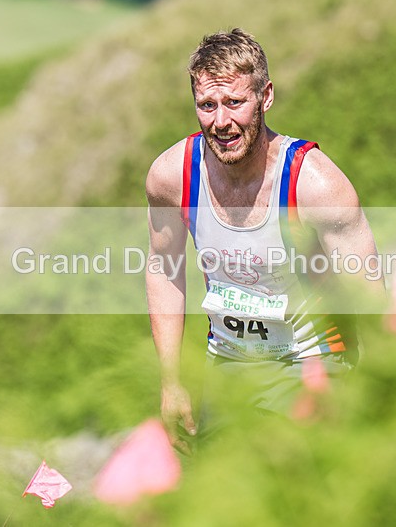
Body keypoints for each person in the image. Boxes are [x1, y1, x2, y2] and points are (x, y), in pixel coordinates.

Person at [146, 28, 383, 453]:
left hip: (311, 363)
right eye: (207, 105)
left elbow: (369, 298)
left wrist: (382, 391)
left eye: (235, 102)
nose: (221, 122)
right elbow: (165, 269)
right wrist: (172, 382)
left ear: (266, 96)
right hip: (230, 365)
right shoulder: (171, 177)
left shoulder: (316, 185)